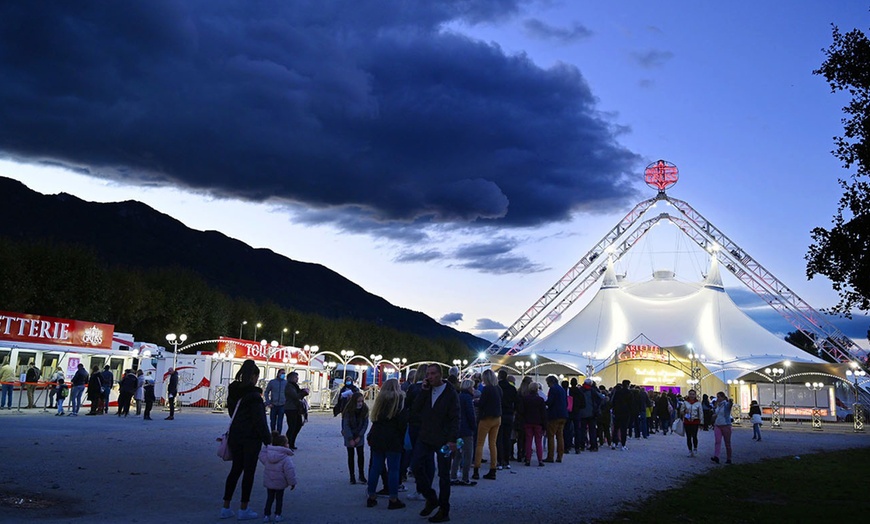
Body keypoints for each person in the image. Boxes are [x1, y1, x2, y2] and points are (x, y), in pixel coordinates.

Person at [221, 359, 272, 521]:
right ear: (253, 377)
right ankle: (244, 508)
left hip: (236, 435)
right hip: (251, 438)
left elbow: (231, 413)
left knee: (235, 470)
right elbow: (260, 421)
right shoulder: (254, 396)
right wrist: (268, 440)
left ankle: (226, 506)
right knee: (248, 472)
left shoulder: (233, 391)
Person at [411, 364, 460, 523]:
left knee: (444, 475)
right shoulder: (426, 390)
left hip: (443, 439)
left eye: (433, 374)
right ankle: (431, 496)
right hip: (425, 435)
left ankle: (444, 510)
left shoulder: (450, 393)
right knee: (416, 465)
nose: (429, 377)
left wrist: (452, 439)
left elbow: (455, 417)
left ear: (440, 375)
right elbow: (415, 410)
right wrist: (424, 391)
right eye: (428, 374)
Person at [365, 378, 408, 510]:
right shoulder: (399, 400)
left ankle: (371, 496)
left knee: (375, 467)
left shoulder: (380, 399)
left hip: (378, 436)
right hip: (393, 438)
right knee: (394, 469)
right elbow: (403, 423)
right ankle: (393, 498)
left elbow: (375, 419)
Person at [259, 431, 297, 523]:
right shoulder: (285, 458)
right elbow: (289, 472)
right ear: (284, 445)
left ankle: (267, 515)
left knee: (269, 498)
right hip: (280, 482)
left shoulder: (268, 456)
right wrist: (292, 483)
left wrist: (268, 447)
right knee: (279, 499)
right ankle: (277, 514)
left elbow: (261, 455)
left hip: (269, 481)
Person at [473, 369, 501, 481]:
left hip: (486, 419)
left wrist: (475, 401)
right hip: (497, 418)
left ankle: (476, 470)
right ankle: (493, 469)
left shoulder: (487, 389)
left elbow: (482, 404)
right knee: (492, 444)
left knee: (479, 444)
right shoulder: (498, 389)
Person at [450, 379, 476, 487]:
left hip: (458, 430)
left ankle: (453, 476)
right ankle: (465, 478)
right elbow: (470, 414)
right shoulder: (468, 398)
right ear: (469, 387)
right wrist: (474, 427)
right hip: (466, 430)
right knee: (468, 455)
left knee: (458, 454)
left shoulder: (458, 396)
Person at [342, 391, 369, 484]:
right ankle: (352, 476)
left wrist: (359, 436)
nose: (360, 403)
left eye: (361, 401)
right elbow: (346, 425)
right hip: (349, 435)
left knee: (360, 455)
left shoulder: (365, 409)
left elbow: (365, 424)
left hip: (359, 435)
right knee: (351, 456)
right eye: (358, 402)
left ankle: (361, 475)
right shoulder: (348, 410)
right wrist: (350, 438)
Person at [519, 381, 547, 467]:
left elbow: (522, 411)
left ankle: (528, 459)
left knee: (528, 441)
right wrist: (544, 426)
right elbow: (543, 414)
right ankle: (540, 460)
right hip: (538, 423)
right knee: (538, 442)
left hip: (528, 422)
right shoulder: (540, 400)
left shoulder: (525, 399)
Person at [544, 375, 568, 463]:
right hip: (563, 415)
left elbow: (550, 402)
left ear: (551, 382)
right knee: (560, 436)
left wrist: (544, 402)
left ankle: (550, 456)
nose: (548, 385)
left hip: (554, 415)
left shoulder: (553, 389)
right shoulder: (562, 389)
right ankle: (560, 456)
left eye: (548, 383)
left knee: (551, 436)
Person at [496, 369, 517, 470]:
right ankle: (507, 461)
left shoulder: (496, 387)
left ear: (499, 376)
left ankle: (499, 461)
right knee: (507, 438)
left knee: (499, 438)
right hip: (509, 414)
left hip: (499, 414)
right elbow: (516, 402)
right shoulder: (512, 388)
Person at [576, 378, 603, 452]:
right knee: (592, 430)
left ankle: (582, 445)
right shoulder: (593, 391)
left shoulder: (580, 390)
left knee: (582, 430)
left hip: (582, 413)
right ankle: (593, 446)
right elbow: (601, 398)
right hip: (592, 413)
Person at [284, 371, 308, 449]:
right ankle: (288, 443)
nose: (297, 379)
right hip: (290, 408)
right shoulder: (289, 386)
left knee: (298, 425)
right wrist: (303, 393)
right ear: (291, 378)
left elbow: (297, 394)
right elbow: (295, 396)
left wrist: (302, 391)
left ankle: (291, 442)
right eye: (295, 377)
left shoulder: (295, 386)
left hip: (296, 409)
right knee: (292, 426)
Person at [678, 389, 703, 457]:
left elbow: (700, 413)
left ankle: (695, 448)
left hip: (695, 421)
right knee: (688, 436)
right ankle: (690, 450)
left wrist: (701, 422)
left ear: (695, 395)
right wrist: (684, 412)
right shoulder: (685, 403)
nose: (691, 395)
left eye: (693, 394)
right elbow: (681, 411)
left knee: (694, 436)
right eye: (690, 394)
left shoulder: (698, 403)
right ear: (688, 395)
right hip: (687, 421)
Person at [711, 391, 734, 464]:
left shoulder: (726, 405)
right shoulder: (718, 405)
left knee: (727, 443)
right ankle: (716, 456)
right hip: (717, 425)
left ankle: (729, 458)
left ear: (723, 397)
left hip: (726, 425)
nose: (718, 398)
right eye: (717, 397)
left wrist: (731, 402)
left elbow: (730, 406)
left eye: (719, 397)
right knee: (717, 441)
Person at [610, 380, 632, 450]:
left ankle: (614, 442)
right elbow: (631, 404)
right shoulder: (629, 393)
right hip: (625, 413)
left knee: (616, 428)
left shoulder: (617, 392)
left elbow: (613, 402)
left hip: (617, 412)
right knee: (624, 429)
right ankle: (623, 444)